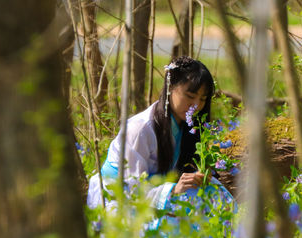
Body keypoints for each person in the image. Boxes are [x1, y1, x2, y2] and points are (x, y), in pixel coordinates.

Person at [87, 56, 235, 226]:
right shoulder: (140, 129)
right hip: (119, 202)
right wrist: (173, 190)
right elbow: (131, 190)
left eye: (202, 99)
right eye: (190, 95)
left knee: (211, 191)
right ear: (170, 87)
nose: (196, 105)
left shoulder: (188, 127)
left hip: (158, 196)